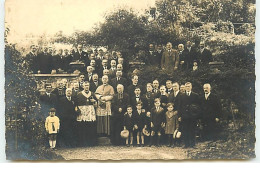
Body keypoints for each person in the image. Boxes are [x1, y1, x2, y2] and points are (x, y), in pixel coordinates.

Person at [75, 81, 97, 147]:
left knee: (90, 127)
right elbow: (76, 105)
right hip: (82, 113)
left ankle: (90, 142)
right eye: (85, 85)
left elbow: (96, 105)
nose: (86, 87)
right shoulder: (79, 94)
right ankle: (82, 143)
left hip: (90, 113)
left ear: (89, 86)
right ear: (83, 86)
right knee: (82, 127)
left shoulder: (92, 94)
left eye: (87, 85)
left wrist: (94, 102)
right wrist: (77, 110)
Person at [179, 82, 200, 148]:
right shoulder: (182, 95)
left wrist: (196, 115)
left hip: (192, 116)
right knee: (185, 130)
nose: (187, 88)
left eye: (189, 86)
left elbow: (198, 106)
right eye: (186, 86)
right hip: (184, 116)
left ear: (191, 87)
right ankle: (186, 144)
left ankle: (193, 144)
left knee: (192, 130)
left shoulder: (195, 95)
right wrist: (179, 116)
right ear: (185, 87)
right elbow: (179, 106)